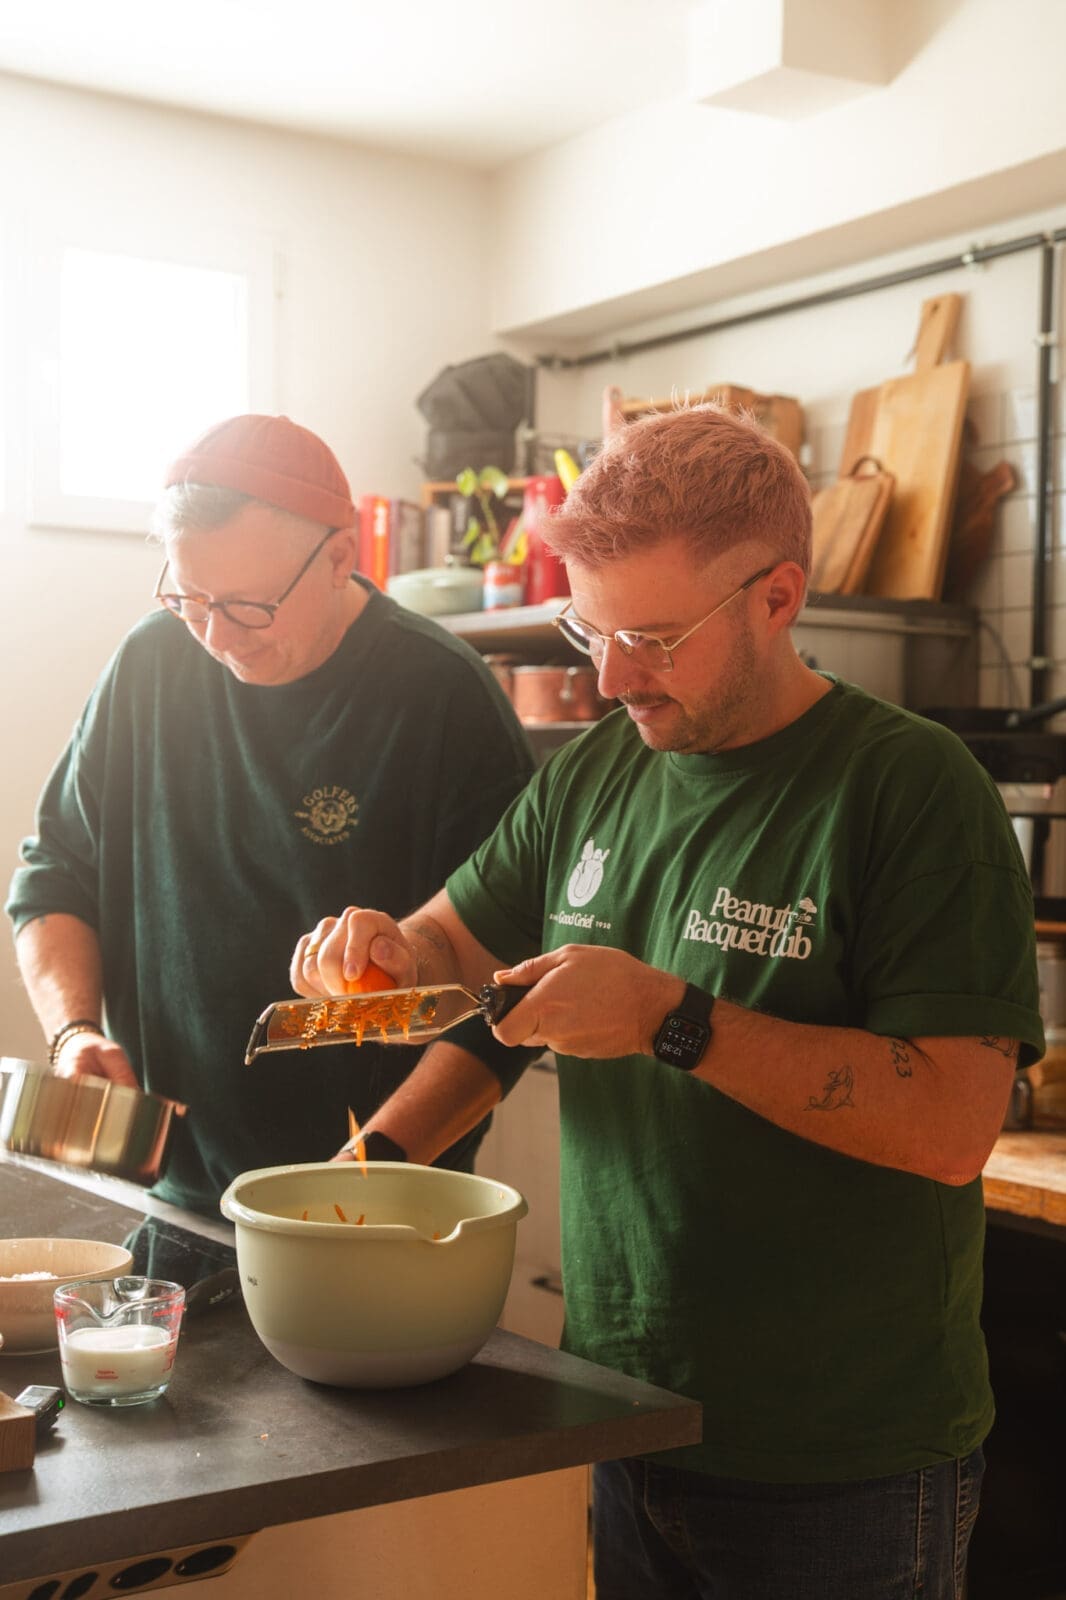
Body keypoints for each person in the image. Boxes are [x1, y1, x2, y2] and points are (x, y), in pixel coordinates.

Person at [288, 402, 1044, 1600]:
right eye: (586, 628)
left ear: (777, 596)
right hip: (623, 1414)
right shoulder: (598, 770)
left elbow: (953, 1126)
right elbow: (446, 944)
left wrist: (668, 1019)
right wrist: (379, 950)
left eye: (651, 634)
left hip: (838, 1464)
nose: (609, 674)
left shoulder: (907, 787)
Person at [6, 413, 535, 1216]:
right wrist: (75, 1032)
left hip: (375, 1197)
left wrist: (365, 1173)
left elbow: (508, 988)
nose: (217, 638)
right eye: (189, 599)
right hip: (169, 1183)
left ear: (338, 560)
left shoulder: (443, 698)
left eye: (250, 607)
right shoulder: (151, 663)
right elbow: (53, 879)